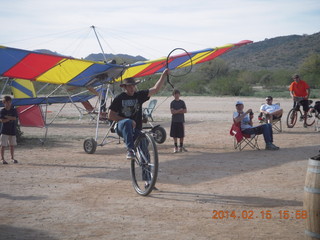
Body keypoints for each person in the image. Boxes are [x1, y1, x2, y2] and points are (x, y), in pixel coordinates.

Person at [108, 69, 169, 160]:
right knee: (128, 122)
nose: (132, 88)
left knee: (144, 144)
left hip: (135, 129)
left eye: (133, 85)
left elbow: (155, 89)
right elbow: (110, 115)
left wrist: (163, 75)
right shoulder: (119, 98)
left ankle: (147, 170)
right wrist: (127, 120)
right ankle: (130, 150)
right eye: (129, 86)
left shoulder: (139, 95)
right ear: (125, 87)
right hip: (121, 126)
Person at [0, 96, 19, 164]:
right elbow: (2, 120)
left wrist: (6, 117)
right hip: (4, 130)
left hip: (12, 130)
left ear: (11, 102)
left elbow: (14, 118)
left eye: (9, 102)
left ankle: (12, 158)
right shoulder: (2, 110)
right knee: (3, 145)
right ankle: (2, 159)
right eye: (6, 102)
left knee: (12, 145)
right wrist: (9, 118)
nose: (8, 104)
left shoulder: (13, 110)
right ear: (3, 103)